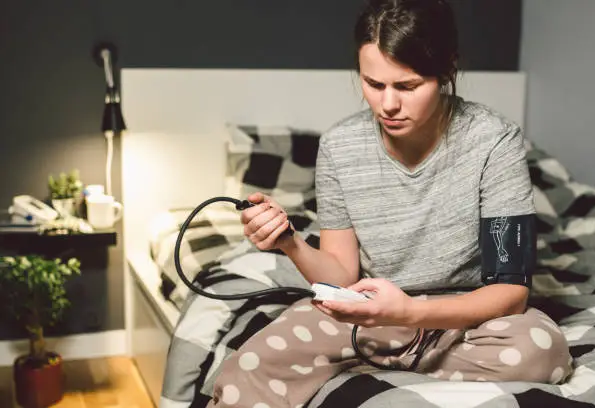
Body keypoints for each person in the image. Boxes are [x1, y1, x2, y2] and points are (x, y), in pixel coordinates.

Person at [206, 0, 572, 406]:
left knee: (542, 350)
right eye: (373, 84)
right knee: (251, 366)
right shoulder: (339, 147)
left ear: (447, 70)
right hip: (369, 314)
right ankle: (393, 353)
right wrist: (288, 242)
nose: (388, 105)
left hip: (466, 318)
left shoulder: (494, 141)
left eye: (408, 86)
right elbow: (341, 277)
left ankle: (378, 359)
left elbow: (510, 292)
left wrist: (409, 313)